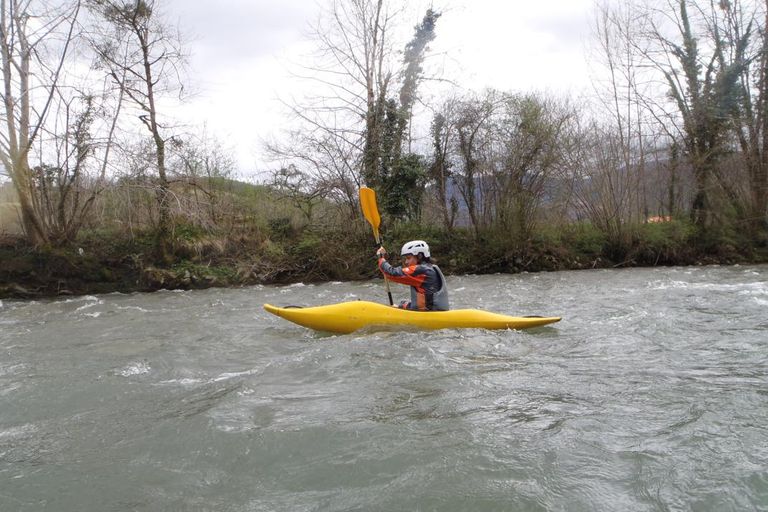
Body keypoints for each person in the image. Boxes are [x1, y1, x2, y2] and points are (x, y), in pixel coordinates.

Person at [376, 240, 449, 311]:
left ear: (419, 256)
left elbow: (392, 273)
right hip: (430, 309)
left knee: (403, 303)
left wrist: (381, 258)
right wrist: (401, 306)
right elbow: (425, 300)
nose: (406, 262)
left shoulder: (421, 270)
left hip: (429, 313)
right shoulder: (429, 268)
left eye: (408, 258)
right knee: (403, 303)